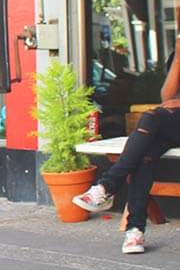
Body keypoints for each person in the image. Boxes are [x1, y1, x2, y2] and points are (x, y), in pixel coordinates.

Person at [74, 39, 180, 253]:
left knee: (152, 118)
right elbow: (167, 97)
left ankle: (107, 187)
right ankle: (134, 231)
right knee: (145, 150)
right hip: (173, 123)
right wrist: (178, 56)